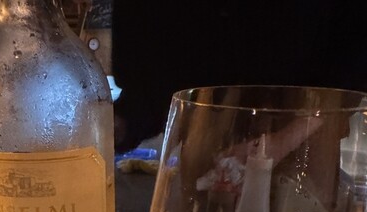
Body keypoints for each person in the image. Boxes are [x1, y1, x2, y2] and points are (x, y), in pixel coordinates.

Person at [111, 0, 367, 152]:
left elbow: (355, 50)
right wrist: (114, 124)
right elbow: (149, 88)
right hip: (201, 145)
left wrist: (287, 138)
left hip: (306, 141)